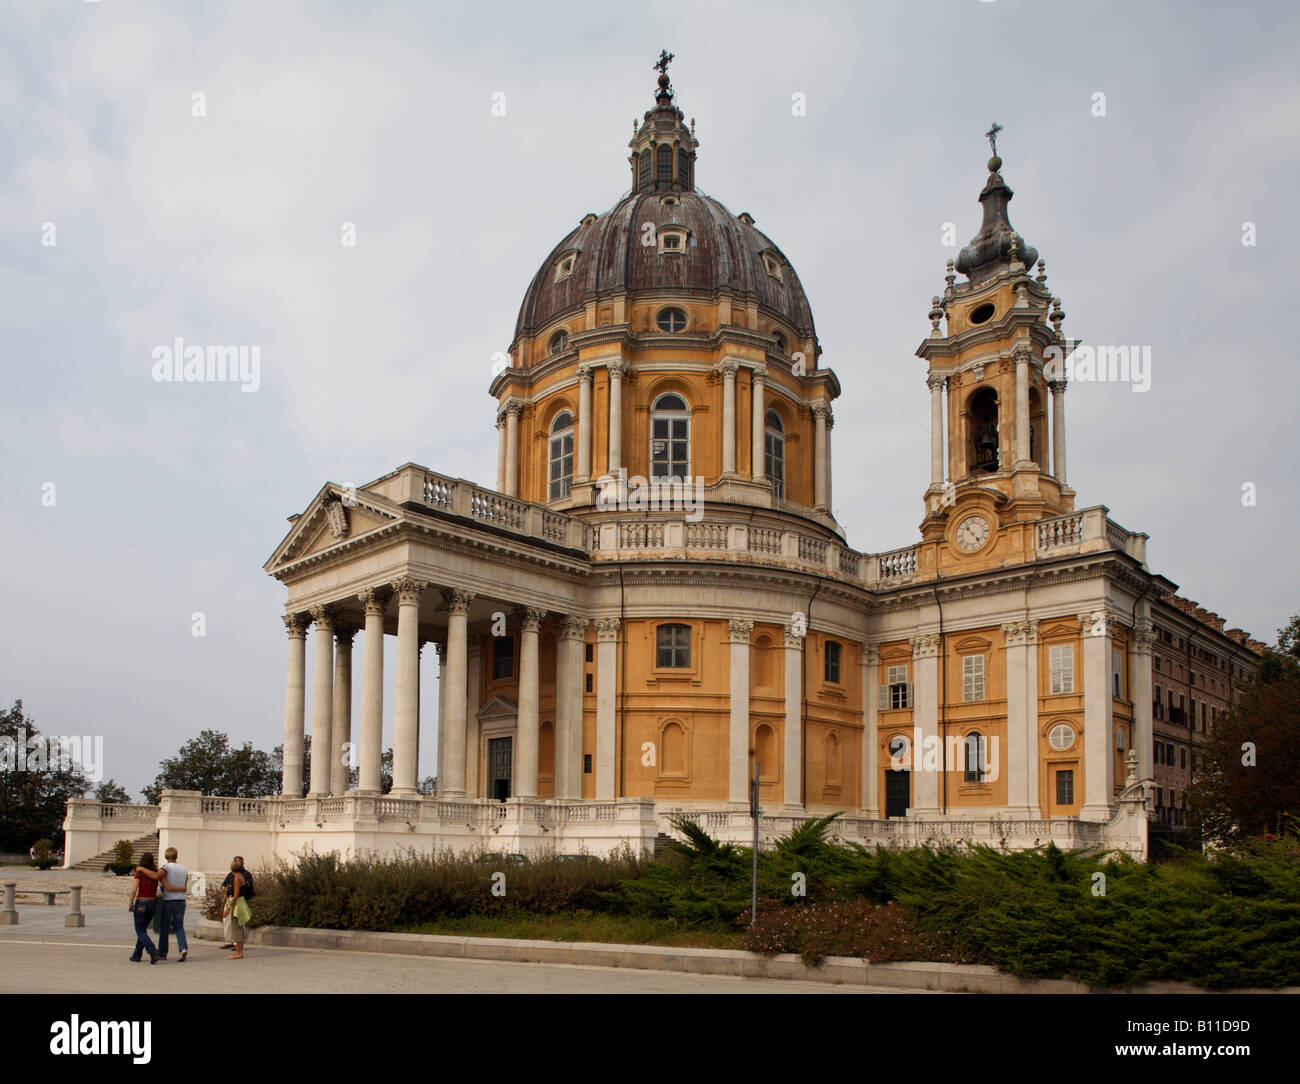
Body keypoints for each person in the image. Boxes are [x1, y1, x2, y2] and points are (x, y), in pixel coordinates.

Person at [156, 846, 189, 962]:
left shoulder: (166, 868)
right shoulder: (183, 868)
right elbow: (185, 885)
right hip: (181, 900)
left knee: (164, 927)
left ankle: (162, 952)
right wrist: (182, 889)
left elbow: (162, 881)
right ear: (176, 856)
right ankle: (183, 948)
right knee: (179, 927)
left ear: (166, 856)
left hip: (169, 900)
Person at [128, 852, 161, 963]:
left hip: (141, 902)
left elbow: (133, 890)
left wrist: (130, 903)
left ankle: (152, 951)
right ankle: (137, 955)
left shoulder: (140, 873)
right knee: (143, 930)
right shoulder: (155, 873)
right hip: (152, 903)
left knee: (140, 930)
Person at [218, 857, 253, 949]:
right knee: (230, 922)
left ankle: (238, 946)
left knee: (238, 924)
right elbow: (225, 883)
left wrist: (228, 908)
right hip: (232, 899)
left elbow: (237, 894)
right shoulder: (234, 875)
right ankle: (230, 941)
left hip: (238, 901)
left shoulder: (241, 876)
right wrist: (224, 888)